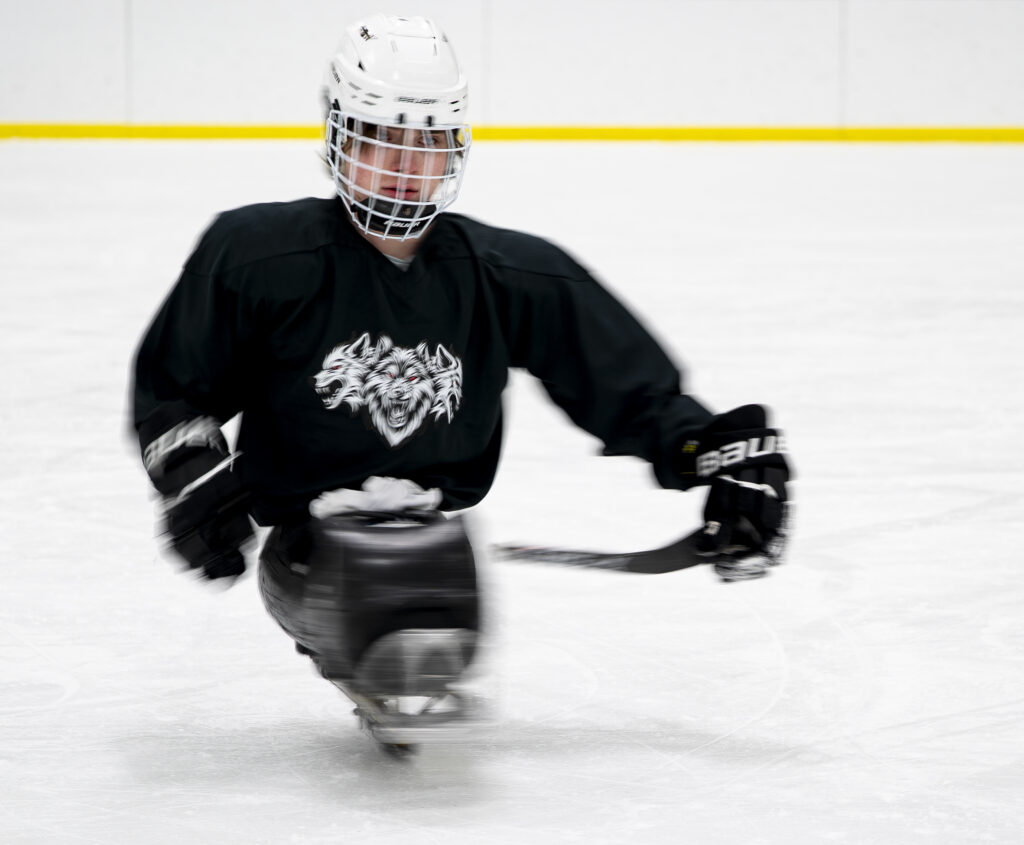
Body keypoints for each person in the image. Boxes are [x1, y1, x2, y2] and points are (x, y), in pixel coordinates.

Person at [132, 14, 790, 746]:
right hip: (309, 547)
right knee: (390, 594)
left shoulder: (507, 274)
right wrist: (192, 471)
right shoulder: (257, 256)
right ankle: (383, 641)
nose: (404, 166)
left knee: (422, 583)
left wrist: (713, 453)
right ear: (340, 137)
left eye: (425, 142)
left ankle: (407, 642)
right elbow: (174, 386)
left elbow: (633, 391)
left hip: (434, 542)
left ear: (455, 148)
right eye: (383, 137)